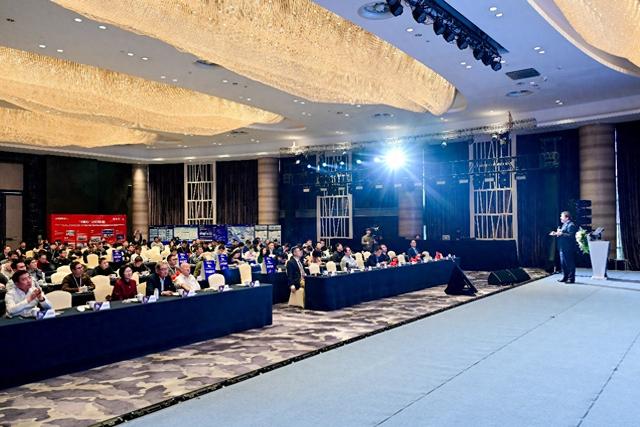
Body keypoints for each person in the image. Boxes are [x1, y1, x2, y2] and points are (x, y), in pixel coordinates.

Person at [550, 211, 578, 283]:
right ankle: (565, 277)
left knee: (569, 263)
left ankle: (571, 278)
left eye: (562, 216)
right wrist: (556, 233)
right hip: (562, 247)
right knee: (563, 263)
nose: (560, 218)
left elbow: (571, 236)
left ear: (567, 217)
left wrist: (561, 233)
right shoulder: (564, 224)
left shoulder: (571, 225)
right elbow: (563, 234)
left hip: (568, 248)